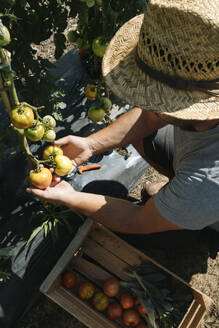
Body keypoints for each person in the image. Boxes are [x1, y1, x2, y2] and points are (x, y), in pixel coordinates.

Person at [27, 0, 219, 239]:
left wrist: (70, 197)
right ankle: (178, 198)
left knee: (146, 235)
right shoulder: (209, 63)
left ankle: (191, 218)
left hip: (207, 198)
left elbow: (136, 220)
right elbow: (149, 118)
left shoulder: (208, 182)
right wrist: (90, 145)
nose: (150, 103)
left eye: (160, 98)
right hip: (197, 176)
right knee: (150, 136)